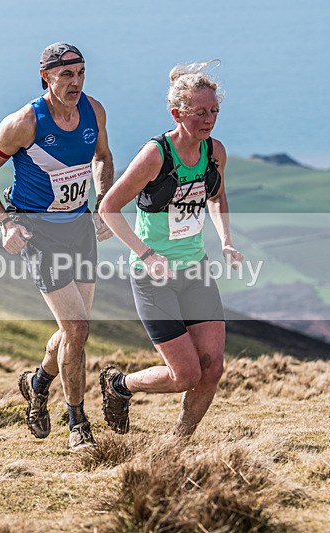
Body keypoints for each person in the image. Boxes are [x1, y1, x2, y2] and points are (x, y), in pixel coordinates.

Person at [0, 42, 114, 450]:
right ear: (46, 77)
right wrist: (4, 224)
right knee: (78, 328)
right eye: (66, 74)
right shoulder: (23, 123)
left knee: (73, 332)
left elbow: (103, 157)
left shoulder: (94, 111)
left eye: (81, 72)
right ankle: (77, 423)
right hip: (38, 233)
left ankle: (37, 383)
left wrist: (103, 202)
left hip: (80, 227)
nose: (76, 82)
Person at [97, 60, 244, 439]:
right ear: (177, 113)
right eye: (199, 112)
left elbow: (217, 196)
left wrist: (226, 241)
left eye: (214, 110)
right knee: (185, 375)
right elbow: (109, 208)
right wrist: (146, 254)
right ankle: (119, 386)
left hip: (196, 271)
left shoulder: (215, 152)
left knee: (211, 369)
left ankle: (177, 445)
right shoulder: (155, 155)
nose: (209, 119)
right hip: (153, 278)